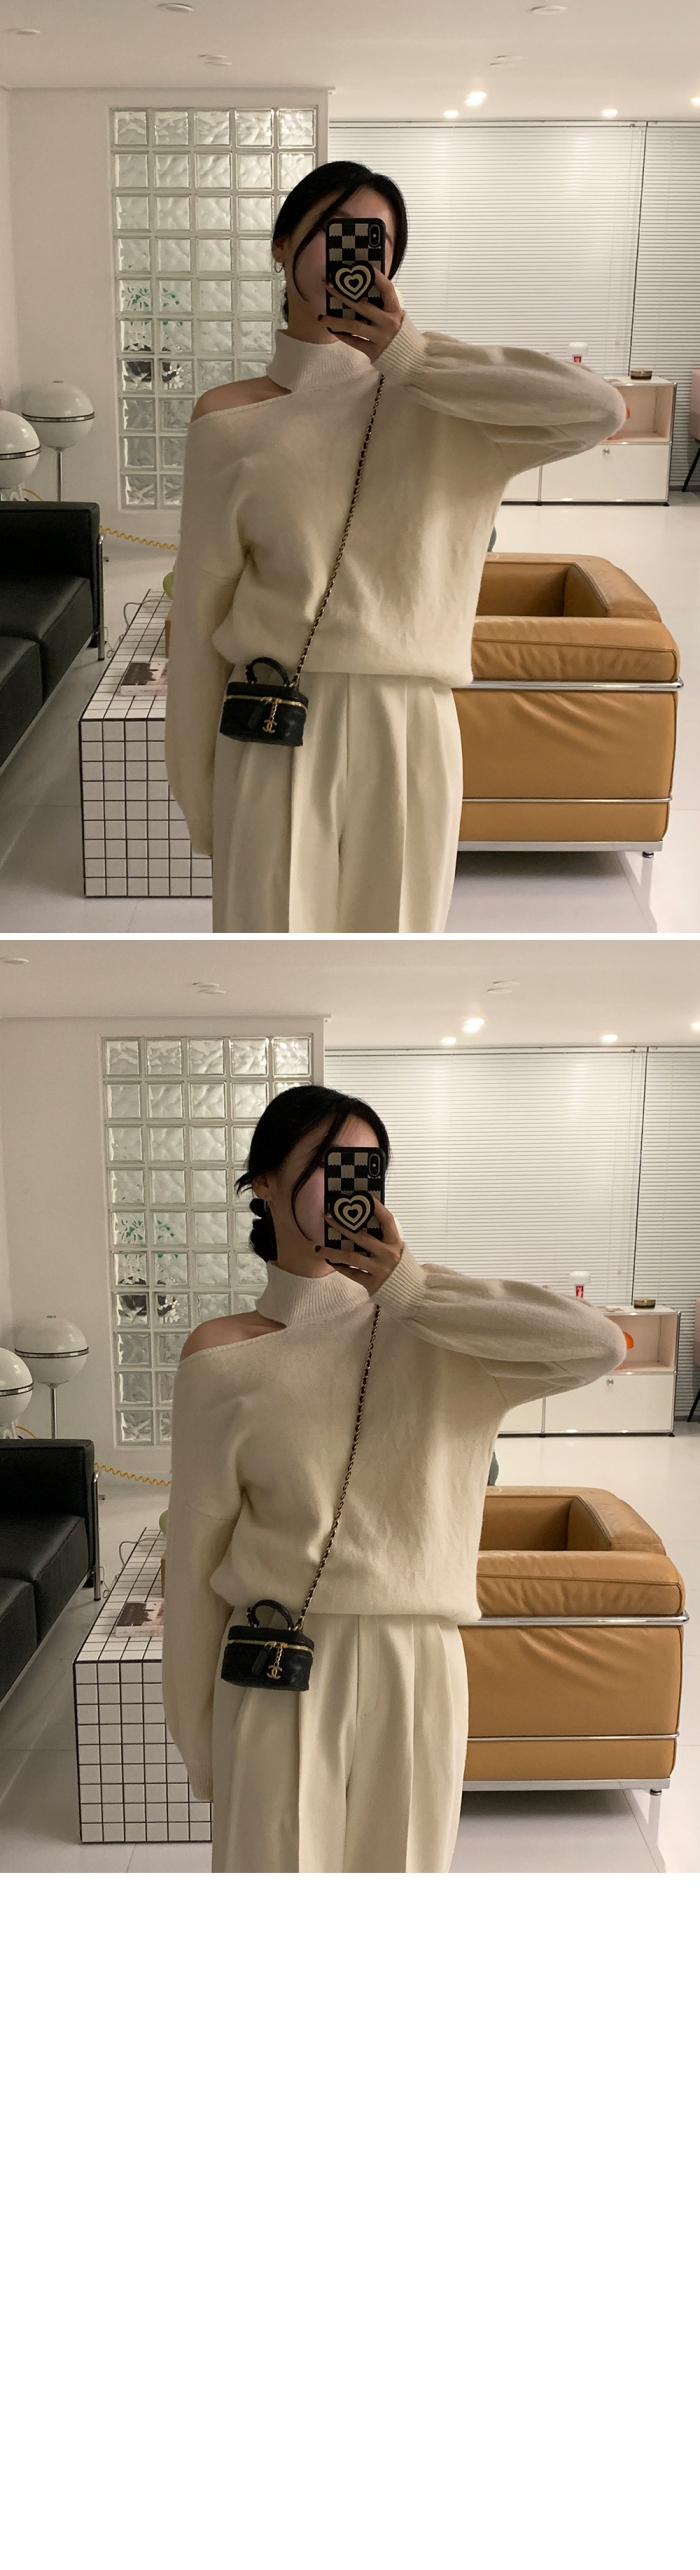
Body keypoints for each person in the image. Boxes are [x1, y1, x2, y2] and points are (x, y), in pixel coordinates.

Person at [161, 1084, 627, 1874]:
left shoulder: (441, 1330)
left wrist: (408, 1290)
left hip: (417, 1664)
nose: (351, 1185)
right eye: (328, 1163)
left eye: (368, 1168)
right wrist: (198, 1736)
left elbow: (599, 1345)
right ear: (263, 1182)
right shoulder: (221, 1357)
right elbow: (197, 1560)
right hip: (274, 1659)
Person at [165, 159, 628, 936]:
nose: (353, 254)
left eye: (375, 240)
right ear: (282, 246)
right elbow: (201, 610)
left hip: (411, 724)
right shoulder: (228, 420)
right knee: (271, 951)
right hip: (273, 717)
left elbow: (599, 410)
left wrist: (409, 358)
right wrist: (198, 790)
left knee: (397, 957)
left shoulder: (448, 402)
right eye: (335, 230)